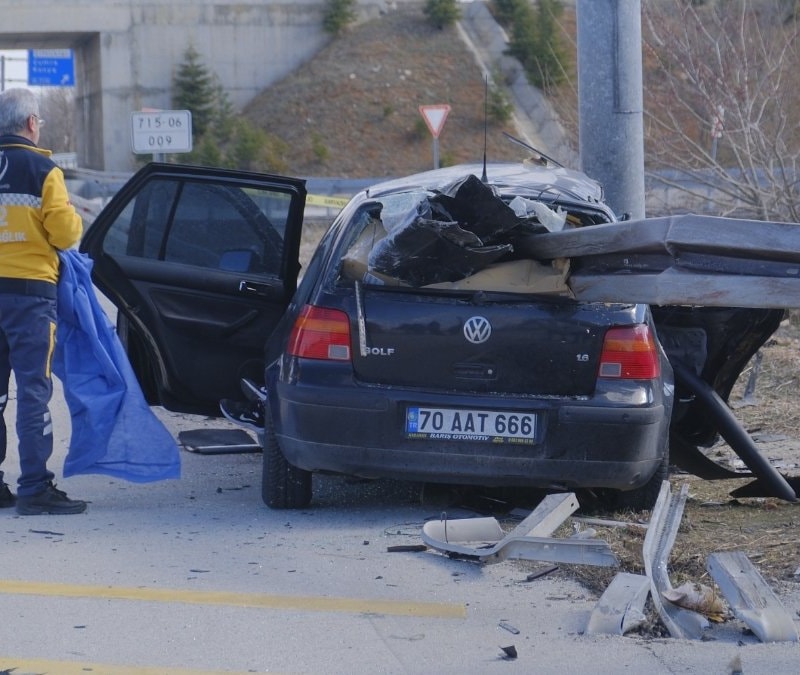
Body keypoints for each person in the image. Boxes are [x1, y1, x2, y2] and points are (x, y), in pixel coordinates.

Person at [0, 88, 86, 515]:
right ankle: (34, 488)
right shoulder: (42, 170)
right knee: (33, 391)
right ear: (32, 123)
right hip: (29, 294)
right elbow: (66, 235)